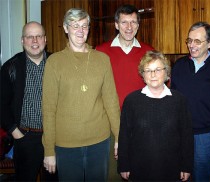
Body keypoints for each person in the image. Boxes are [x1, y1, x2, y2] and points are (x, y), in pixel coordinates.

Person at [42, 8, 120, 181]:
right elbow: (48, 109)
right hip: (66, 144)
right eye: (75, 25)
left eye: (84, 26)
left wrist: (119, 138)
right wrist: (49, 150)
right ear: (65, 28)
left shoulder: (102, 59)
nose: (80, 30)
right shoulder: (54, 62)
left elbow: (111, 101)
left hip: (100, 142)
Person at [117, 50, 194, 181]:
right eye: (148, 70)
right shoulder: (131, 100)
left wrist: (186, 166)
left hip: (172, 168)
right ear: (143, 74)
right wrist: (123, 164)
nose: (153, 74)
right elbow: (124, 135)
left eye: (158, 69)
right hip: (140, 168)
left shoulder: (179, 100)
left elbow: (186, 136)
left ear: (167, 73)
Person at [171, 22, 210, 182]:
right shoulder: (179, 66)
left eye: (197, 41)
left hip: (205, 136)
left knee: (200, 178)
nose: (191, 45)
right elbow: (172, 100)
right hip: (179, 134)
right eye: (189, 40)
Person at [1, 21, 57, 181]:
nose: (34, 41)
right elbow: (1, 105)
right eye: (30, 37)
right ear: (22, 40)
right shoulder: (10, 67)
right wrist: (16, 133)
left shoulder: (57, 64)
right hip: (25, 138)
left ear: (45, 39)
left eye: (38, 36)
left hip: (54, 138)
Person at [95, 4, 154, 109]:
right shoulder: (100, 52)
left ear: (138, 25)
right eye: (124, 22)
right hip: (110, 117)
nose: (129, 27)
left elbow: (159, 86)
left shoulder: (149, 52)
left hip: (141, 115)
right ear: (116, 25)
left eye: (133, 22)